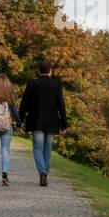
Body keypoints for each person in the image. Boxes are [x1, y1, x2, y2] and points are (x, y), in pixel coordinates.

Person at [18, 58, 68, 187]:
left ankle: (42, 172)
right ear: (51, 71)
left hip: (36, 121)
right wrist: (64, 124)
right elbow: (61, 106)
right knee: (47, 148)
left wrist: (19, 121)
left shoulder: (32, 84)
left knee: (37, 148)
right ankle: (45, 171)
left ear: (39, 71)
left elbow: (24, 105)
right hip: (52, 121)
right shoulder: (56, 86)